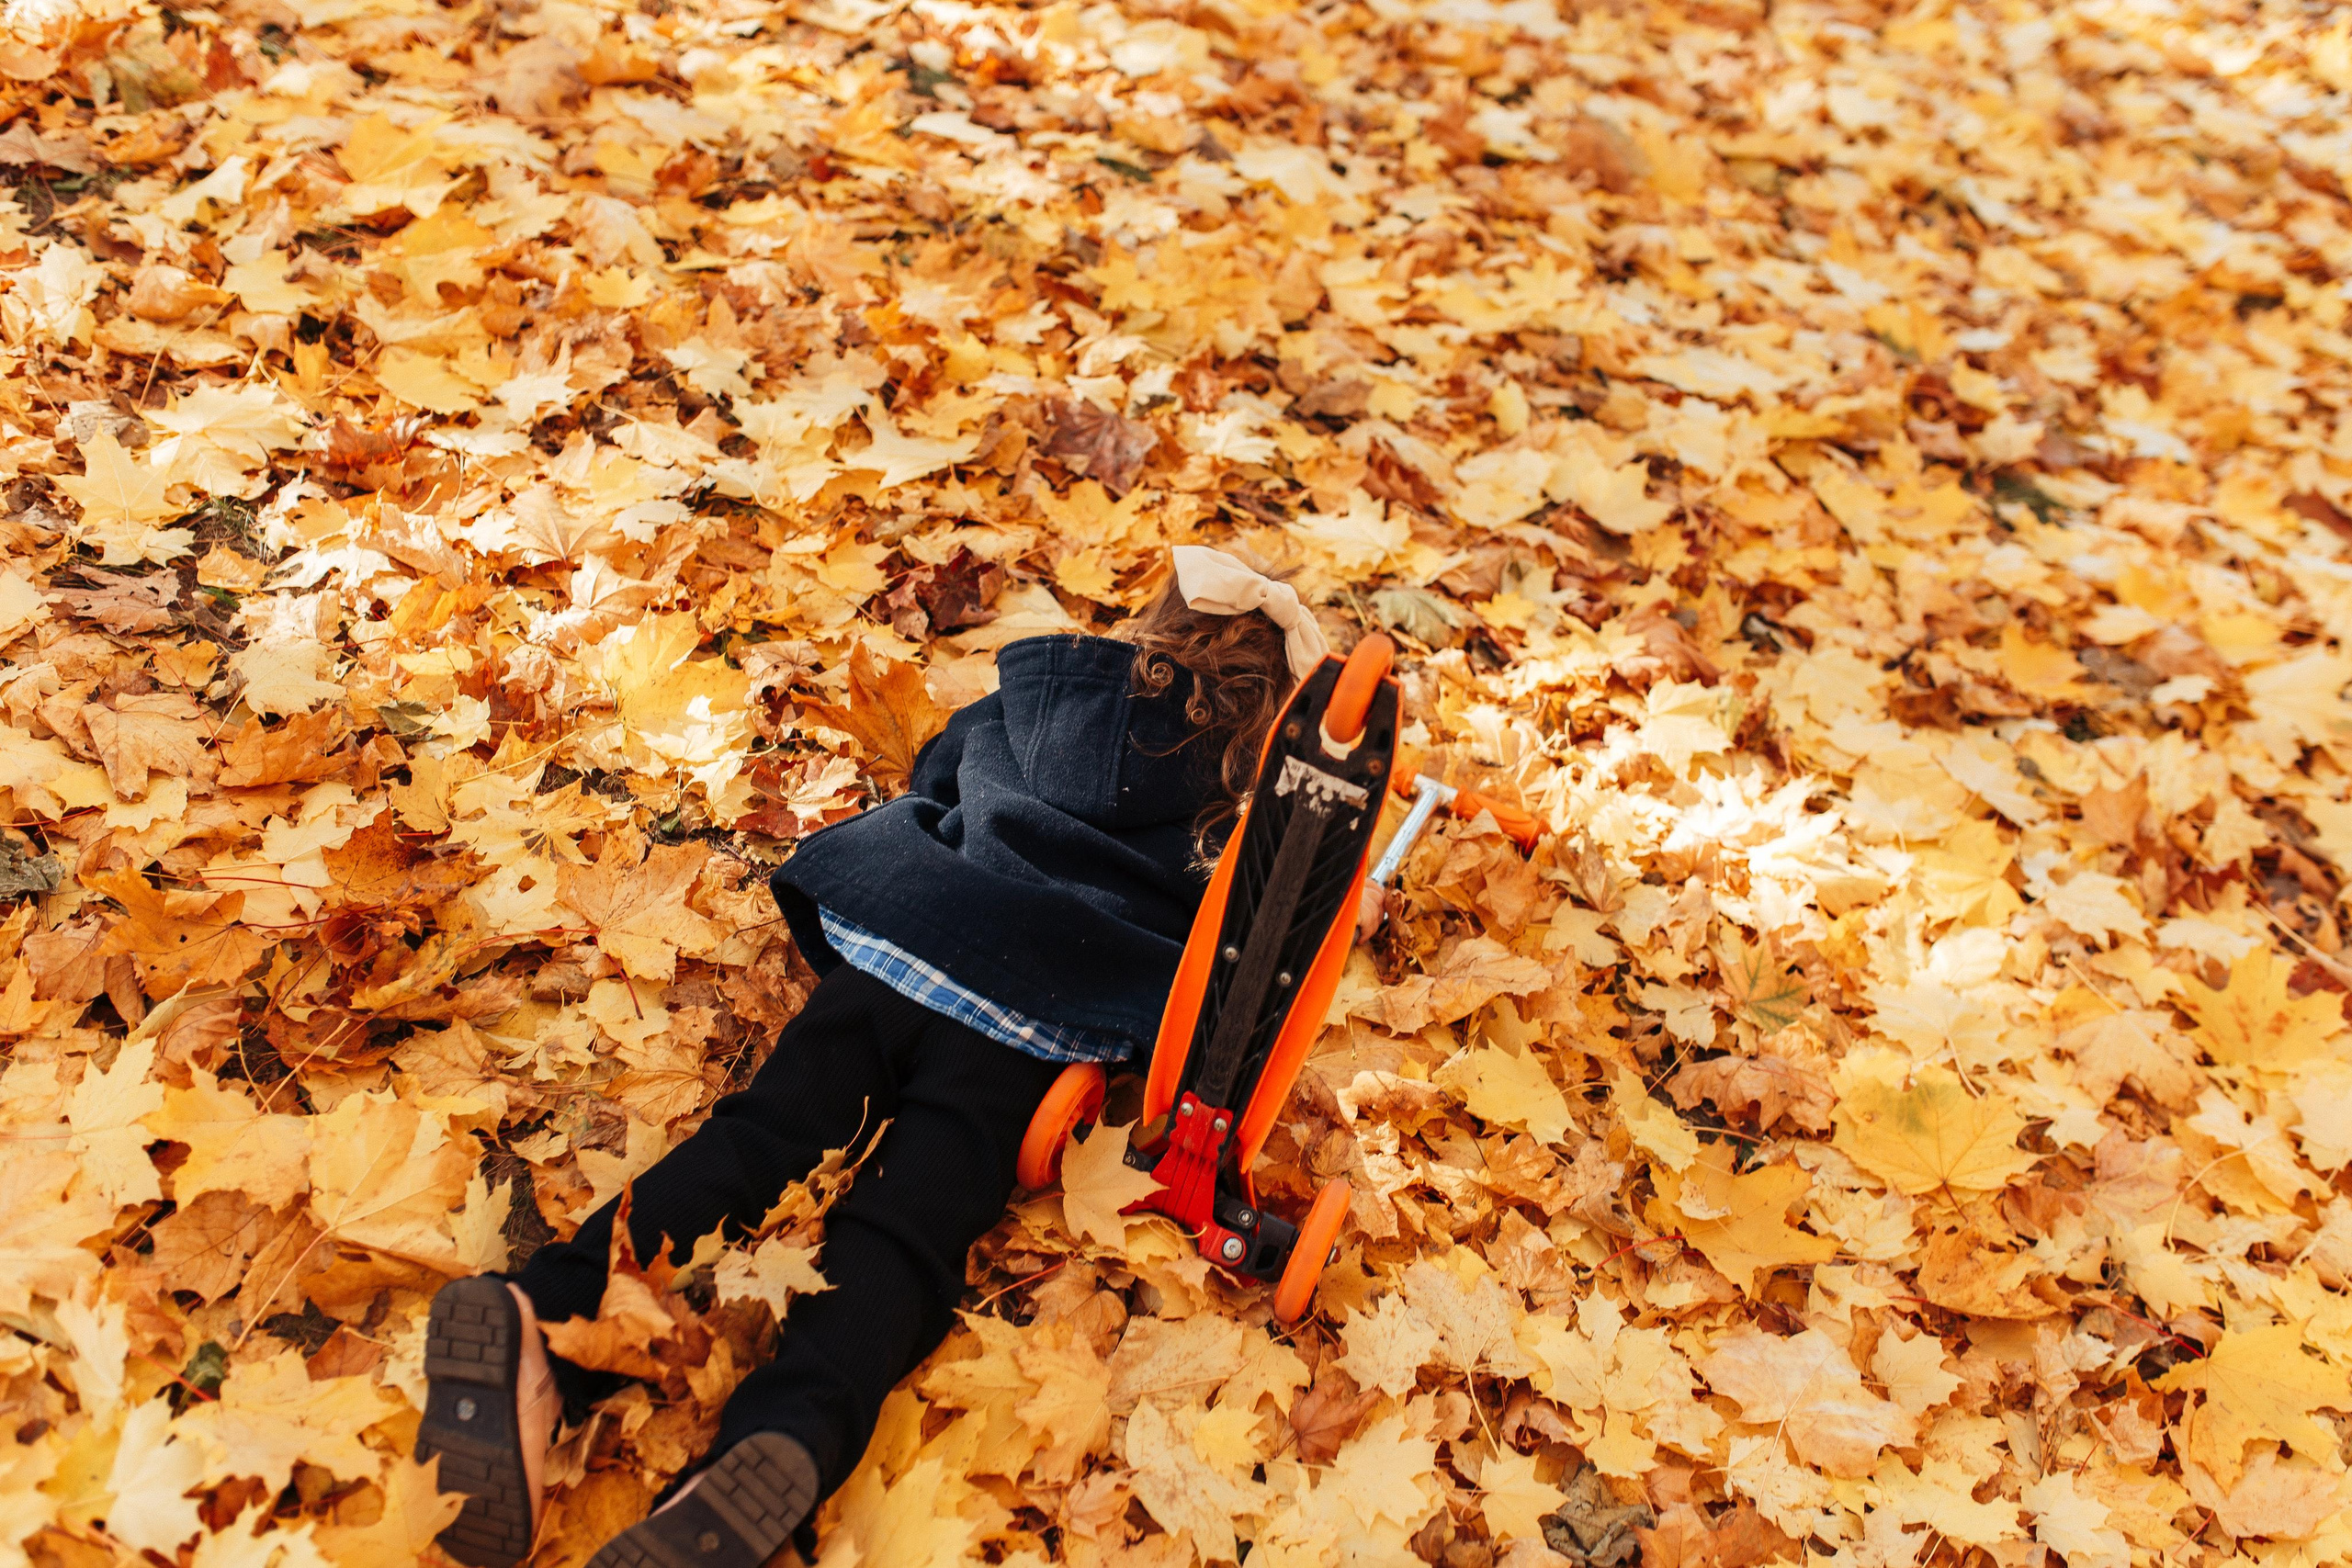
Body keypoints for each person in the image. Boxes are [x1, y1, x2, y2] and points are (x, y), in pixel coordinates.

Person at [413, 547, 1329, 1568]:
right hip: (1028, 1029)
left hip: (900, 952)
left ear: (1147, 635)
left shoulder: (1041, 707)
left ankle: (541, 1325)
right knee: (901, 1236)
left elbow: (934, 776)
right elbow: (1247, 967)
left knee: (761, 1140)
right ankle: (778, 1444)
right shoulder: (1241, 819)